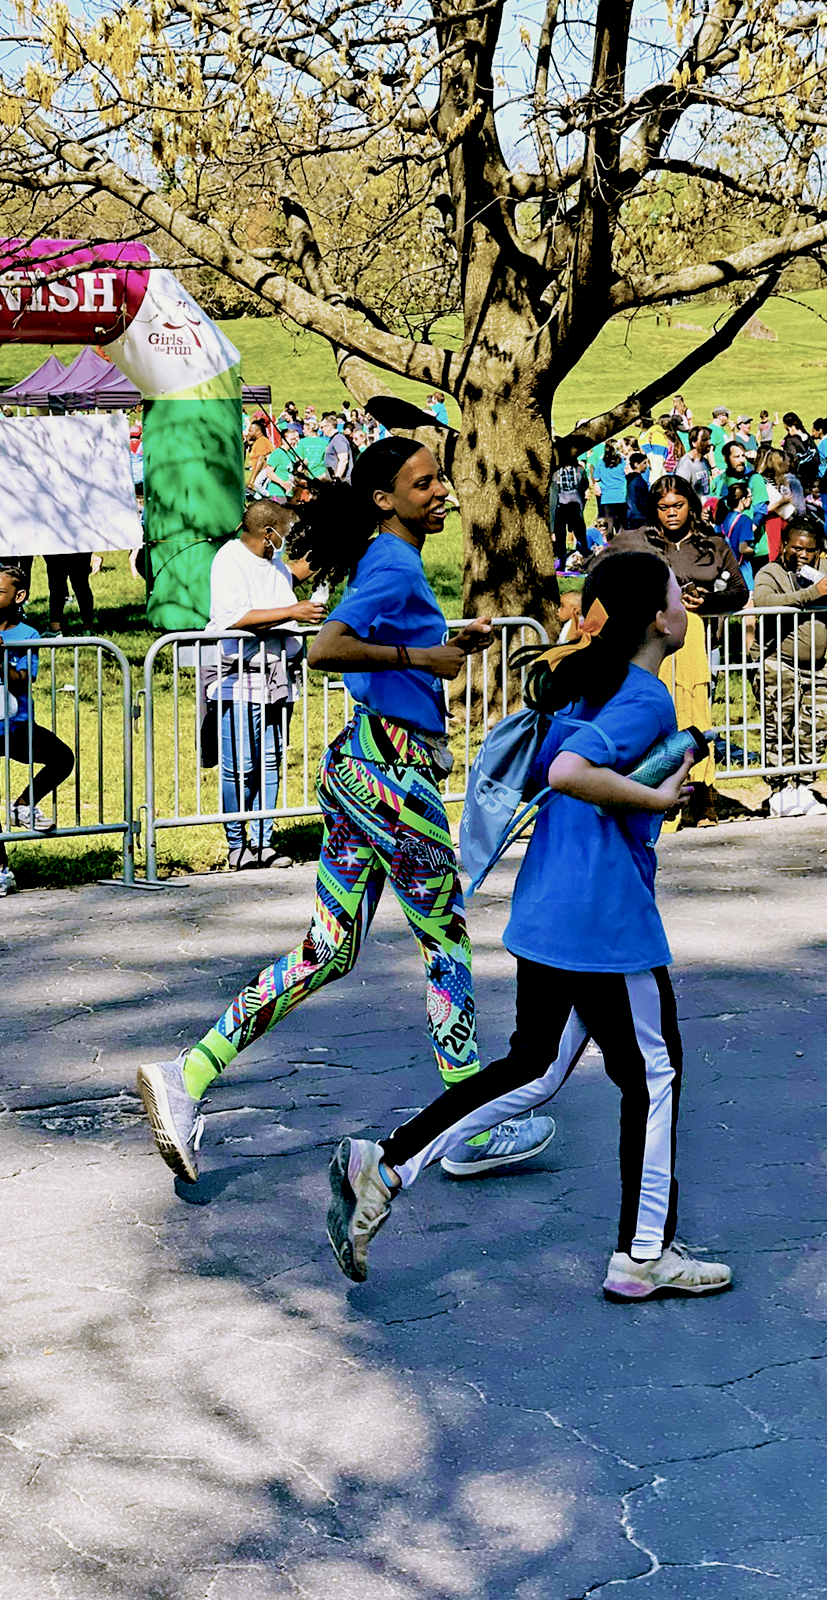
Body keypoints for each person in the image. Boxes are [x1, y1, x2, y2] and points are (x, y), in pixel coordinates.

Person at [136, 438, 554, 1184]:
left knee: (326, 951)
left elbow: (377, 642)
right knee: (446, 948)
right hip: (393, 782)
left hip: (361, 770)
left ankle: (187, 1074)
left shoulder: (392, 562)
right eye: (422, 484)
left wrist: (444, 643)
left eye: (440, 482)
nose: (440, 494)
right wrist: (424, 660)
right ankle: (464, 1130)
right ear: (384, 499)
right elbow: (327, 648)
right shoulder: (393, 561)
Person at [323, 549, 733, 1301]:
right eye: (680, 593)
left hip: (546, 911)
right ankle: (644, 1254)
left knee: (536, 1068)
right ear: (655, 616)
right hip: (605, 923)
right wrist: (656, 801)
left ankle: (383, 1166)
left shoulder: (583, 685)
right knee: (654, 1074)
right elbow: (569, 773)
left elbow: (565, 765)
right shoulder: (643, 696)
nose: (688, 603)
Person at [206, 499, 323, 870]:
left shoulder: (272, 564)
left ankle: (263, 841)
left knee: (269, 763)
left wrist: (334, 549)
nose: (286, 540)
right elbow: (236, 618)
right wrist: (293, 611)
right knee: (238, 767)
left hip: (274, 678)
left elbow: (294, 572)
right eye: (284, 534)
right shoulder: (229, 560)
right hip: (237, 682)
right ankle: (237, 844)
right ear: (267, 533)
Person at [0, 563, 75, 897]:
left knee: (63, 758)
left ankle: (24, 803)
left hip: (16, 723)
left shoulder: (28, 635)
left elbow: (24, 680)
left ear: (18, 596)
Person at [641, 476, 748, 827]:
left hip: (698, 643)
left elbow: (739, 592)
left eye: (678, 505)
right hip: (652, 645)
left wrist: (708, 601)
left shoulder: (713, 545)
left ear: (691, 505)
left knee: (698, 717)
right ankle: (662, 798)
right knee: (658, 720)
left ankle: (704, 796)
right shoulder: (643, 544)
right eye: (663, 507)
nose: (671, 514)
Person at [752, 523, 827, 817]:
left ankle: (803, 786)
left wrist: (826, 595)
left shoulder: (823, 567)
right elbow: (763, 601)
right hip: (779, 662)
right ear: (785, 544)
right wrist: (809, 596)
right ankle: (780, 789)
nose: (802, 554)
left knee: (816, 727)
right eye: (796, 548)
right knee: (779, 727)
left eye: (809, 550)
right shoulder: (770, 572)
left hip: (817, 666)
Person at [551, 454, 589, 570]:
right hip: (560, 505)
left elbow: (584, 484)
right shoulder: (556, 471)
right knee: (560, 534)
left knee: (580, 531)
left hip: (575, 505)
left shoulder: (579, 470)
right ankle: (561, 558)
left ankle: (584, 557)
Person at [44, 552, 95, 635]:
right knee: (81, 586)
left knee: (57, 586)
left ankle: (55, 629)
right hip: (79, 548)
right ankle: (88, 628)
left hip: (57, 549)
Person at [719, 482, 755, 591]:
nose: (751, 499)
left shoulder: (723, 519)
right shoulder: (745, 520)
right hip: (742, 572)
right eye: (749, 496)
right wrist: (753, 551)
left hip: (726, 571)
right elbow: (743, 548)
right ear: (742, 500)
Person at [593, 441, 629, 537]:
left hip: (607, 498)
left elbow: (596, 478)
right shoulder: (622, 462)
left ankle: (609, 546)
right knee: (621, 525)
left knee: (609, 525)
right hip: (621, 497)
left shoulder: (601, 463)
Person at [781, 413, 821, 495]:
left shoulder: (790, 441)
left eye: (787, 429)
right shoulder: (807, 437)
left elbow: (791, 459)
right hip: (813, 476)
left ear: (792, 427)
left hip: (799, 479)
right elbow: (816, 456)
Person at [673, 425, 712, 497]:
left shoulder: (705, 462)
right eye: (704, 440)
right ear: (694, 443)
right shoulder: (686, 464)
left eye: (709, 439)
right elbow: (681, 492)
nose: (709, 443)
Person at [321, 413, 354, 482]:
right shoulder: (334, 439)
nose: (321, 430)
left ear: (329, 427)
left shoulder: (338, 439)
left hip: (342, 483)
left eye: (322, 427)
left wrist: (336, 479)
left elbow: (343, 460)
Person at [625, 450, 653, 528]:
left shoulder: (629, 479)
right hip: (639, 517)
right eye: (644, 463)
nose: (646, 466)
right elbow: (642, 500)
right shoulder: (639, 481)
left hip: (630, 515)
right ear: (636, 464)